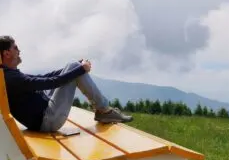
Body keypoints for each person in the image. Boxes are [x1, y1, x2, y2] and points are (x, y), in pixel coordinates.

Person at [0, 35, 133, 132]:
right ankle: (104, 110)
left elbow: (43, 77)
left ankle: (103, 109)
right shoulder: (11, 77)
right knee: (74, 66)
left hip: (43, 114)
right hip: (48, 120)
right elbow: (51, 82)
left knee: (73, 66)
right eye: (15, 48)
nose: (19, 50)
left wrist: (76, 69)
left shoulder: (6, 74)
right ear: (6, 53)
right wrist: (81, 69)